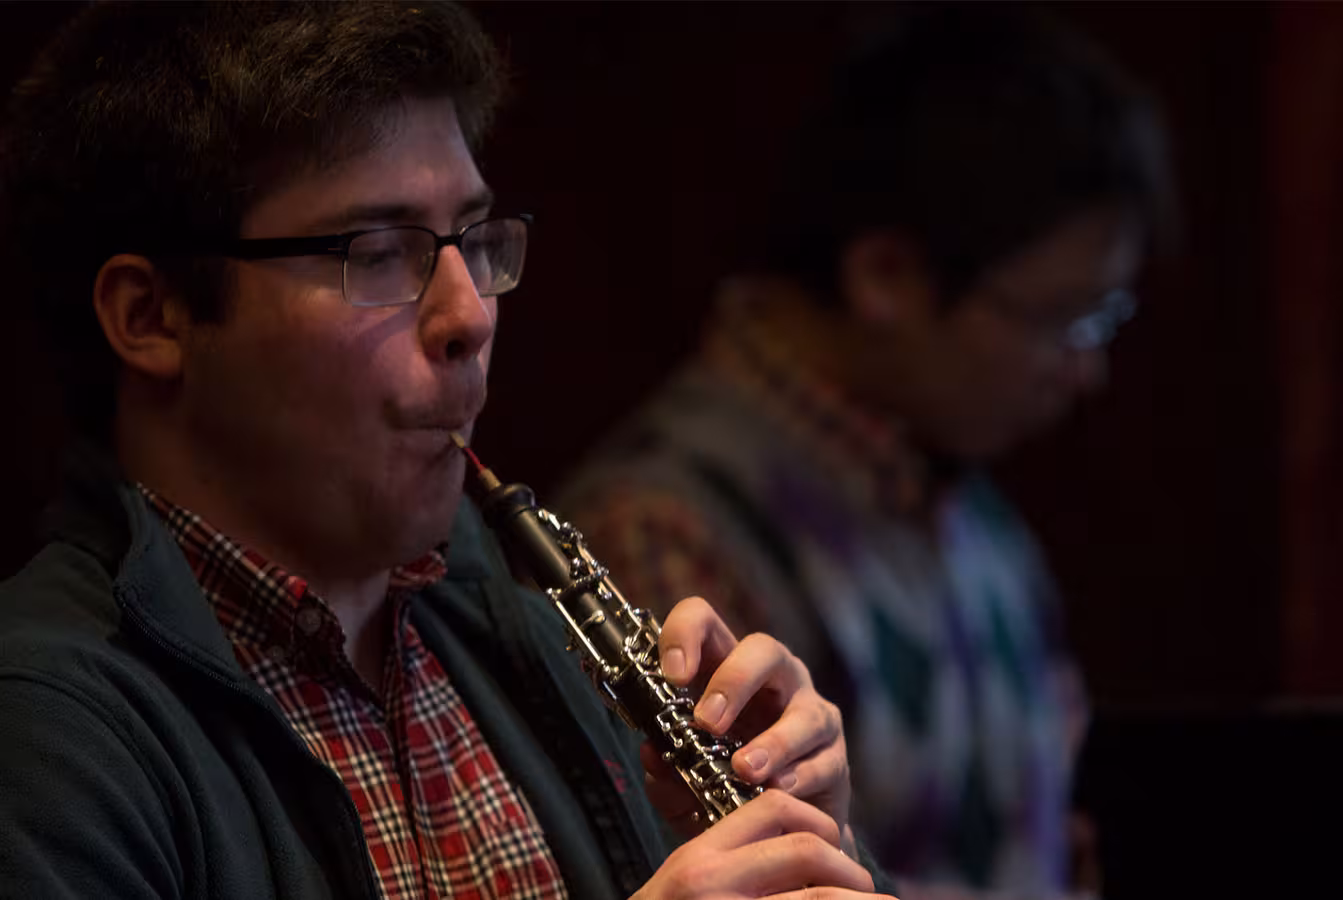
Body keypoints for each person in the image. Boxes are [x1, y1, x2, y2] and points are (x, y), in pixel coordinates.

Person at [0, 3, 893, 898]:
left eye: (473, 238)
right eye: (379, 253)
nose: (469, 315)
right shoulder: (44, 735)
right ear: (149, 317)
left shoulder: (524, 636)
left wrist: (814, 842)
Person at [556, 8, 1171, 899]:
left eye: (1103, 318)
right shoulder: (666, 526)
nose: (1088, 369)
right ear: (886, 275)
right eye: (1060, 319)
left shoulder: (971, 511)